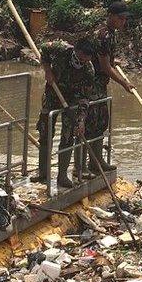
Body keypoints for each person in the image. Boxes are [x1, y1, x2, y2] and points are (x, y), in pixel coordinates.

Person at [31, 39, 96, 189]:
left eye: (87, 60)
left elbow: (85, 98)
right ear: (76, 50)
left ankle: (62, 176)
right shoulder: (61, 49)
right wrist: (47, 70)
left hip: (72, 101)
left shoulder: (88, 70)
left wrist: (81, 120)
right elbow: (43, 49)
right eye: (81, 58)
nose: (83, 62)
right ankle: (43, 172)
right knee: (45, 132)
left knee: (68, 136)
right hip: (53, 93)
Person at [84, 1, 136, 175]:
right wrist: (124, 83)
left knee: (100, 123)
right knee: (91, 124)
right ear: (111, 16)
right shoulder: (104, 35)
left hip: (99, 84)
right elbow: (105, 67)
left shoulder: (110, 34)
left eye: (124, 19)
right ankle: (85, 166)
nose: (123, 22)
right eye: (120, 18)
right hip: (92, 84)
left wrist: (113, 62)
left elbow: (105, 60)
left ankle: (97, 162)